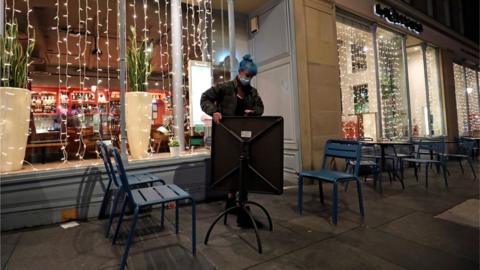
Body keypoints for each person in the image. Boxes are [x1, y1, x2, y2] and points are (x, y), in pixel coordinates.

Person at [200, 54, 264, 228]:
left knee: (244, 168)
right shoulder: (225, 87)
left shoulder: (252, 92)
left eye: (251, 77)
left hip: (245, 137)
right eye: (247, 75)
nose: (248, 79)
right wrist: (213, 111)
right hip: (227, 136)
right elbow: (204, 98)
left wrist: (254, 113)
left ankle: (241, 205)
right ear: (240, 72)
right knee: (231, 168)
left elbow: (260, 107)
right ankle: (231, 202)